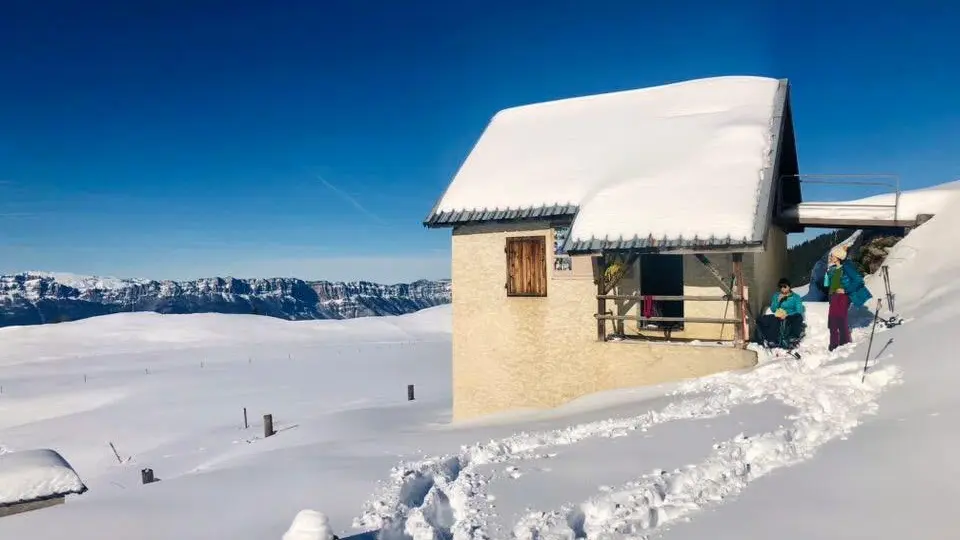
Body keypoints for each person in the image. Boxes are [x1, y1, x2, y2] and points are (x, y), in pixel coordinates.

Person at [823, 245, 873, 351]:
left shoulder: (846, 267)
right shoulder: (831, 270)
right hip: (833, 297)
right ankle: (833, 344)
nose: (831, 257)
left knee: (840, 318)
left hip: (843, 296)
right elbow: (829, 285)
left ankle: (844, 342)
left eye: (832, 256)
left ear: (838, 257)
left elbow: (859, 280)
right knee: (832, 321)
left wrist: (845, 290)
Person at [755, 277, 805, 350]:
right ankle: (770, 339)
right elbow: (773, 309)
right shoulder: (776, 295)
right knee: (763, 319)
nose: (783, 289)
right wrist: (778, 301)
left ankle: (792, 337)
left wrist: (787, 315)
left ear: (789, 287)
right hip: (779, 315)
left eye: (785, 286)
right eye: (781, 287)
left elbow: (799, 310)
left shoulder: (795, 297)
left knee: (797, 317)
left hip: (791, 315)